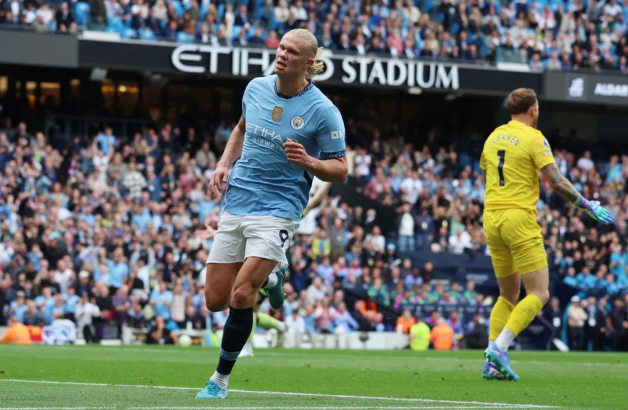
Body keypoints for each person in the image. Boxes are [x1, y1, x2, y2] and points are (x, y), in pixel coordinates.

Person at [196, 28, 348, 400]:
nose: (282, 55)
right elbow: (242, 128)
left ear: (309, 63)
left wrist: (309, 161)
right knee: (215, 300)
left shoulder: (323, 111)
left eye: (292, 52)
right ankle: (273, 277)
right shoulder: (255, 88)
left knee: (242, 293)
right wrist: (223, 164)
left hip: (279, 208)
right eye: (280, 48)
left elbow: (341, 169)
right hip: (238, 198)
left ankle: (219, 380)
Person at [480, 88, 615, 381]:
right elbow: (555, 180)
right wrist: (587, 204)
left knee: (507, 295)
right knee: (540, 293)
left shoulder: (493, 137)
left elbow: (487, 175)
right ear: (533, 109)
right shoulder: (533, 137)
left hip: (491, 217)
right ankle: (500, 348)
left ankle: (491, 362)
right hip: (518, 218)